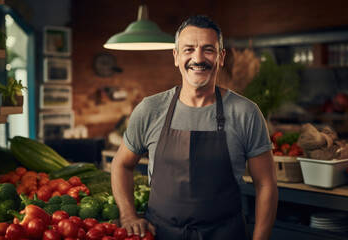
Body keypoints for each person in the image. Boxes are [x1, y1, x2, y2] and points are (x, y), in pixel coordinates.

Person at [111, 14, 278, 240]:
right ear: (176, 56)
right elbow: (121, 164)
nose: (198, 58)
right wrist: (128, 216)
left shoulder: (245, 113)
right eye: (189, 49)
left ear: (221, 57)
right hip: (161, 234)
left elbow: (266, 184)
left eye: (208, 49)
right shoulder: (150, 109)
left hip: (225, 234)